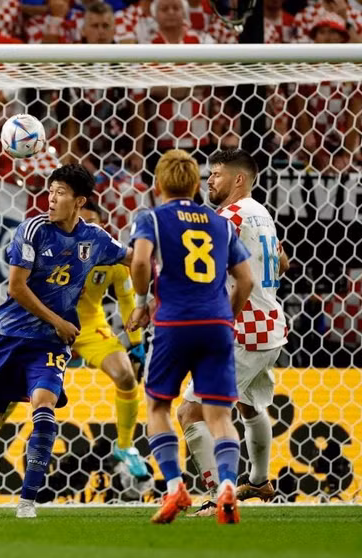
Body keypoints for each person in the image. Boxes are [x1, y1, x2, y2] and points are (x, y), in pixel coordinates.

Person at [0, 164, 132, 519]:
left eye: (60, 193)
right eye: (50, 191)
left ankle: (27, 501)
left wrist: (157, 282)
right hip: (9, 338)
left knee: (44, 408)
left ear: (79, 201)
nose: (51, 199)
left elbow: (134, 258)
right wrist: (58, 321)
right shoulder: (33, 230)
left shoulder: (96, 238)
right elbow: (16, 287)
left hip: (49, 345)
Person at [127, 149, 253, 524]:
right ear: (196, 184)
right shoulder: (220, 223)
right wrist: (225, 317)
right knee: (219, 415)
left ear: (159, 184)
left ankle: (174, 487)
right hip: (216, 325)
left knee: (157, 407)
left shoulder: (151, 217)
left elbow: (139, 260)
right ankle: (227, 485)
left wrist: (141, 303)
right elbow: (245, 279)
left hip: (174, 323)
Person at [176, 149, 289, 516]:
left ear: (238, 179)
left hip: (242, 333)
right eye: (209, 173)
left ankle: (217, 496)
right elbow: (282, 262)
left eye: (217, 174)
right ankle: (258, 481)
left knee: (192, 413)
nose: (209, 180)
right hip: (270, 327)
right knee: (250, 406)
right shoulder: (261, 213)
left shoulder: (228, 217)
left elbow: (215, 276)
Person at [72, 200, 147, 478]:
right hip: (48, 324)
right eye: (80, 221)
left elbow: (128, 300)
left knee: (127, 376)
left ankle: (125, 446)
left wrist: (136, 344)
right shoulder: (52, 246)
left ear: (101, 227)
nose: (85, 227)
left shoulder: (110, 255)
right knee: (18, 382)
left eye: (91, 223)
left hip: (89, 326)